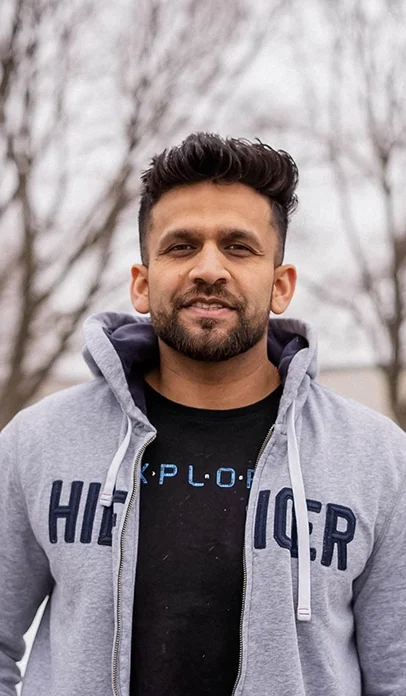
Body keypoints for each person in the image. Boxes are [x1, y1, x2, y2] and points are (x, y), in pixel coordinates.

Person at [0, 132, 405, 696]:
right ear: (142, 284)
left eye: (239, 247)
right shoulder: (38, 442)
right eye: (181, 246)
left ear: (280, 285)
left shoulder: (377, 458)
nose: (209, 268)